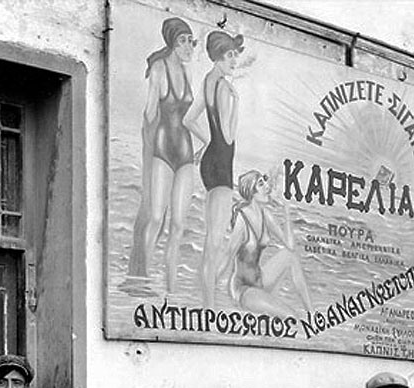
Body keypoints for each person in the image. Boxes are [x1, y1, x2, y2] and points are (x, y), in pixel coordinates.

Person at [128, 17, 202, 293]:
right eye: (183, 40)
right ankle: (141, 277)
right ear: (172, 41)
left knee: (179, 223)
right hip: (162, 148)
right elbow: (149, 111)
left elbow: (191, 115)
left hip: (185, 149)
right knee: (156, 216)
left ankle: (171, 288)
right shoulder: (159, 69)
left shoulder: (187, 72)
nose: (188, 46)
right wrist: (146, 144)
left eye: (190, 41)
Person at [184, 30, 244, 307]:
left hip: (212, 162)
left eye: (235, 54)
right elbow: (229, 136)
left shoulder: (208, 81)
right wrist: (236, 104)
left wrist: (207, 142)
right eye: (230, 55)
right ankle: (208, 304)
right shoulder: (223, 88)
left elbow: (189, 120)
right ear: (219, 56)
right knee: (216, 241)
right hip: (221, 166)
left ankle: (206, 299)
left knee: (213, 238)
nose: (234, 60)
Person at [221, 169, 313, 317]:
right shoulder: (242, 219)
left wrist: (286, 210)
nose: (266, 187)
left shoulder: (266, 215)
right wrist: (209, 284)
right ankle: (304, 320)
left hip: (260, 280)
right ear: (251, 191)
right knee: (292, 316)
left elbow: (290, 246)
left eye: (265, 182)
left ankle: (312, 314)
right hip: (244, 290)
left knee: (290, 256)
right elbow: (227, 254)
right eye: (261, 184)